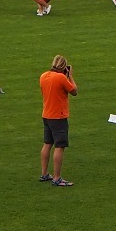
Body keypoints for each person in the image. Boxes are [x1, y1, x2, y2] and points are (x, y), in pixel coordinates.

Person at [39, 55, 78, 187]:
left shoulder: (43, 76)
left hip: (46, 114)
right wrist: (70, 76)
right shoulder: (61, 78)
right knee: (59, 146)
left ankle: (44, 174)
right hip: (58, 116)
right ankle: (57, 177)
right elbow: (74, 91)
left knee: (47, 144)